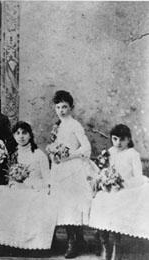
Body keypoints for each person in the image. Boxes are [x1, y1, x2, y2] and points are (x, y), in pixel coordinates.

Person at [0, 121, 56, 250]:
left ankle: (27, 245)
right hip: (16, 188)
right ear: (14, 136)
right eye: (17, 133)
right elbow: (10, 176)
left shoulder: (39, 154)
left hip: (35, 189)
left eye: (24, 133)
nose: (21, 136)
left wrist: (30, 186)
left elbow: (48, 180)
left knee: (23, 202)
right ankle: (1, 241)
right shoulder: (13, 155)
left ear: (30, 135)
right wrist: (13, 183)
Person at [47, 90, 98, 258]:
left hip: (73, 168)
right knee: (63, 204)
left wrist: (69, 155)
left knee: (72, 205)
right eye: (58, 107)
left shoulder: (74, 125)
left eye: (65, 107)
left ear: (71, 108)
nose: (61, 110)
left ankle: (75, 242)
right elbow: (57, 145)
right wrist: (54, 154)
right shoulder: (57, 125)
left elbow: (86, 148)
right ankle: (75, 239)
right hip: (60, 168)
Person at [89, 124, 149, 260]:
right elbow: (105, 170)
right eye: (115, 139)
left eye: (122, 139)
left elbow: (138, 177)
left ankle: (116, 246)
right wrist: (105, 180)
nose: (118, 143)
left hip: (125, 189)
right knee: (99, 201)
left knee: (116, 208)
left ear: (128, 139)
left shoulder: (133, 154)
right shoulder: (110, 152)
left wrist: (122, 183)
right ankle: (106, 245)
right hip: (110, 188)